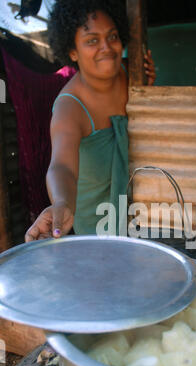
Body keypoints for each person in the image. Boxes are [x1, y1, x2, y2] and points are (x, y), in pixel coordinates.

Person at [25, 0, 156, 242]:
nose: (106, 47)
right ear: (72, 51)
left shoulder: (132, 74)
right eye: (92, 40)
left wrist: (148, 91)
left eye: (112, 36)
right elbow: (61, 166)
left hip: (140, 211)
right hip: (98, 224)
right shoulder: (69, 107)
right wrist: (62, 203)